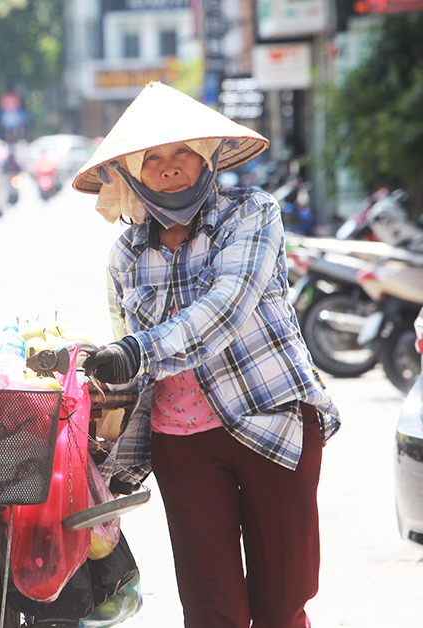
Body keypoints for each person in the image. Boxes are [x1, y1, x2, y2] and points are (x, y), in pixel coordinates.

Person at [72, 82, 341, 628]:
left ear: (208, 159)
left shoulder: (253, 213)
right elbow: (125, 348)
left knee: (281, 602)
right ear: (131, 174)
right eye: (152, 159)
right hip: (182, 445)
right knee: (210, 608)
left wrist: (137, 350)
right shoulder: (127, 252)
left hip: (273, 423)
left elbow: (227, 307)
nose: (169, 168)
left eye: (182, 154)